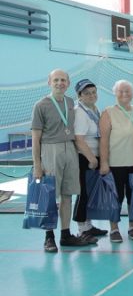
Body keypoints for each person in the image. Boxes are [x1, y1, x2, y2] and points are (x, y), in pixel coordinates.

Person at [31, 69, 92, 252]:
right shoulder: (40, 105)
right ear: (49, 82)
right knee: (50, 195)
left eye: (63, 80)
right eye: (56, 80)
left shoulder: (70, 102)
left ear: (68, 83)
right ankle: (49, 237)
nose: (60, 83)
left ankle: (65, 235)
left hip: (70, 149)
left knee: (67, 194)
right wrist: (37, 165)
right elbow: (35, 138)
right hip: (51, 150)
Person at [99, 80, 133, 243]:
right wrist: (104, 163)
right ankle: (114, 229)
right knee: (115, 198)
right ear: (115, 93)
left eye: (127, 91)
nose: (124, 94)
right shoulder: (108, 112)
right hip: (115, 163)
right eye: (121, 91)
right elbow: (104, 140)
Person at [72, 78, 106, 241]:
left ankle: (89, 226)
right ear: (80, 95)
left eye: (93, 92)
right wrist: (91, 158)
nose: (91, 95)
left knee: (91, 193)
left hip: (94, 157)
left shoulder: (93, 109)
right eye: (87, 93)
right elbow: (79, 139)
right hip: (84, 158)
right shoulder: (79, 112)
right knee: (83, 194)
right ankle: (82, 229)